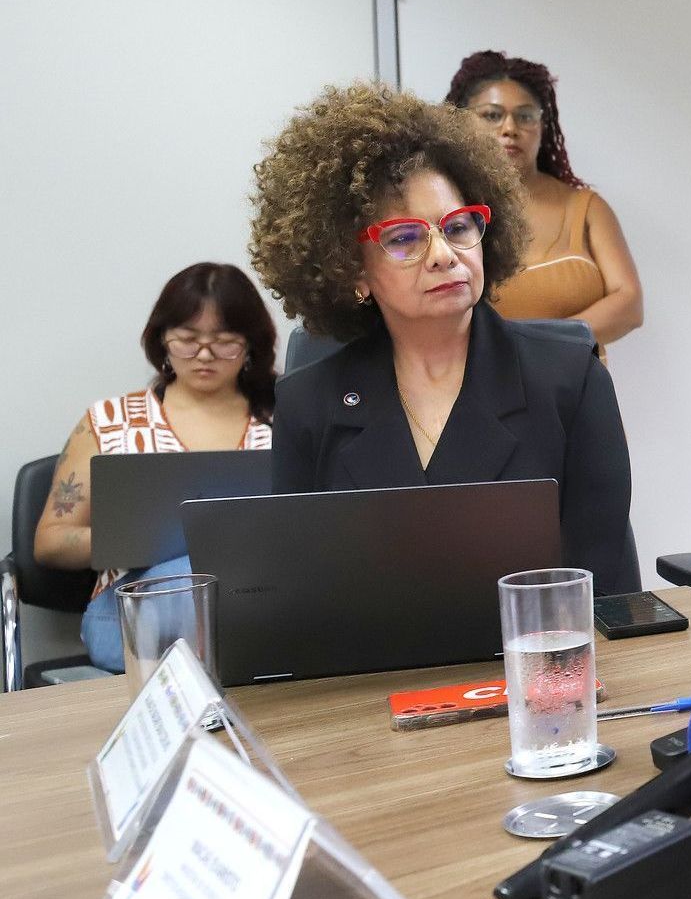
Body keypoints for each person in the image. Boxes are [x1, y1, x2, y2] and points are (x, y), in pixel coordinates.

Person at [252, 82, 638, 596]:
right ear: (352, 271)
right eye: (404, 238)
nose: (443, 255)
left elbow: (606, 583)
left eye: (457, 227)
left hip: (538, 647)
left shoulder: (570, 379)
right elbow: (298, 591)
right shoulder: (308, 403)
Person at [35, 263, 277, 672]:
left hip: (253, 598)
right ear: (162, 340)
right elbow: (50, 543)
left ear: (251, 344)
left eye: (224, 343)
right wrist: (136, 538)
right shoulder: (111, 421)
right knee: (189, 576)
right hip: (135, 610)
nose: (204, 355)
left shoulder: (284, 418)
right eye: (187, 340)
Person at [445, 51, 644, 348]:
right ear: (461, 122)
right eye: (492, 115)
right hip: (476, 377)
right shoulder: (444, 210)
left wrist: (541, 348)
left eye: (525, 116)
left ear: (543, 126)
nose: (510, 129)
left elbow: (629, 304)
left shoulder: (586, 208)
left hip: (577, 377)